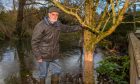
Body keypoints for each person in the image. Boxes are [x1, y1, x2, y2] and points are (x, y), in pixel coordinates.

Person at [31, 7, 82, 84]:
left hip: (55, 55)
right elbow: (34, 42)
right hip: (43, 56)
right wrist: (38, 56)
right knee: (43, 75)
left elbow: (67, 28)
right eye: (53, 14)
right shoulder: (40, 26)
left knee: (56, 72)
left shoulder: (58, 24)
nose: (55, 16)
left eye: (57, 15)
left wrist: (80, 27)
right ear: (49, 14)